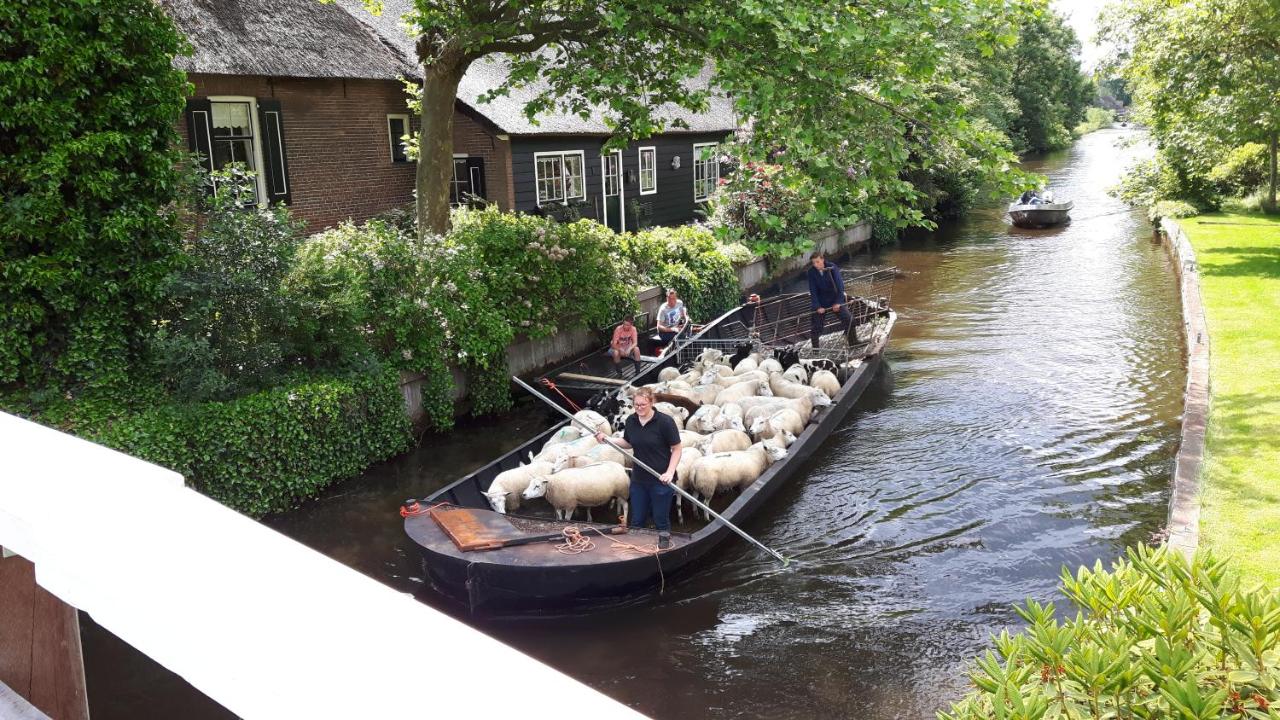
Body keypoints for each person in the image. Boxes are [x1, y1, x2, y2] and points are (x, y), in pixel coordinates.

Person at [595, 387, 681, 549]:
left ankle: (665, 551)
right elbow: (628, 442)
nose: (639, 408)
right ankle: (638, 549)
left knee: (660, 519)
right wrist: (608, 439)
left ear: (651, 402)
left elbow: (677, 448)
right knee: (637, 519)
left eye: (643, 405)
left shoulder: (665, 422)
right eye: (636, 405)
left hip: (661, 480)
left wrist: (669, 473)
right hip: (639, 480)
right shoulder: (631, 421)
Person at [807, 252, 853, 349]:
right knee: (816, 327)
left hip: (834, 299)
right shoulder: (811, 272)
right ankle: (816, 350)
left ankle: (854, 342)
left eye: (817, 262)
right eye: (814, 263)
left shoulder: (832, 267)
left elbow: (840, 287)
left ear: (822, 260)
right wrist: (818, 307)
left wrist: (838, 303)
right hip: (821, 302)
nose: (816, 265)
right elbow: (813, 291)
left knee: (849, 319)